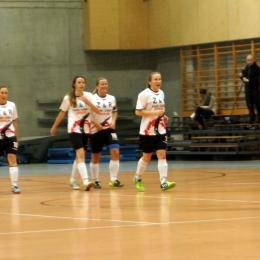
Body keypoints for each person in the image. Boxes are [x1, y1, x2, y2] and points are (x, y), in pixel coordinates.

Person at [50, 76, 100, 191]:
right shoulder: (68, 98)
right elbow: (62, 113)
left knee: (79, 156)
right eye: (79, 82)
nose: (81, 84)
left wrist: (88, 102)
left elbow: (97, 111)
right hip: (74, 129)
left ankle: (73, 179)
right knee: (80, 154)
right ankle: (86, 180)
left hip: (86, 130)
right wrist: (54, 126)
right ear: (74, 84)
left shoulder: (89, 96)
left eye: (83, 82)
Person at [134, 72, 175, 192]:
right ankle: (138, 178)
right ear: (149, 82)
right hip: (147, 130)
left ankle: (163, 181)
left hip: (160, 129)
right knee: (146, 156)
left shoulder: (161, 93)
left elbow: (159, 110)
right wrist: (154, 113)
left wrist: (163, 116)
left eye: (160, 79)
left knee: (162, 154)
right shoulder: (144, 94)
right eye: (156, 79)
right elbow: (138, 112)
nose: (158, 81)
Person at [89, 77, 123, 189]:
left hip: (109, 130)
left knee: (115, 152)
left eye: (106, 84)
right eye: (102, 84)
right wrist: (96, 124)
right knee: (95, 156)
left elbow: (114, 111)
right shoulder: (92, 98)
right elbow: (87, 115)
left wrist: (113, 121)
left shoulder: (111, 98)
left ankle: (113, 179)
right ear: (97, 86)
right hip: (96, 130)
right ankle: (96, 180)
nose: (104, 86)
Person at [0, 86, 20, 194]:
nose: (4, 95)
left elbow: (14, 122)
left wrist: (16, 137)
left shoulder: (12, 105)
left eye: (6, 93)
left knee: (12, 158)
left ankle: (15, 185)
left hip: (10, 136)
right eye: (2, 93)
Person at [240, 54, 260, 124]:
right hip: (248, 90)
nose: (250, 61)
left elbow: (257, 78)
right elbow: (243, 77)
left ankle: (259, 120)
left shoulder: (257, 68)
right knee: (249, 105)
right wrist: (241, 77)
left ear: (253, 60)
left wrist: (248, 80)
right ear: (246, 61)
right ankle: (252, 120)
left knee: (257, 105)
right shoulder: (246, 68)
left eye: (251, 60)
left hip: (255, 89)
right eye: (248, 60)